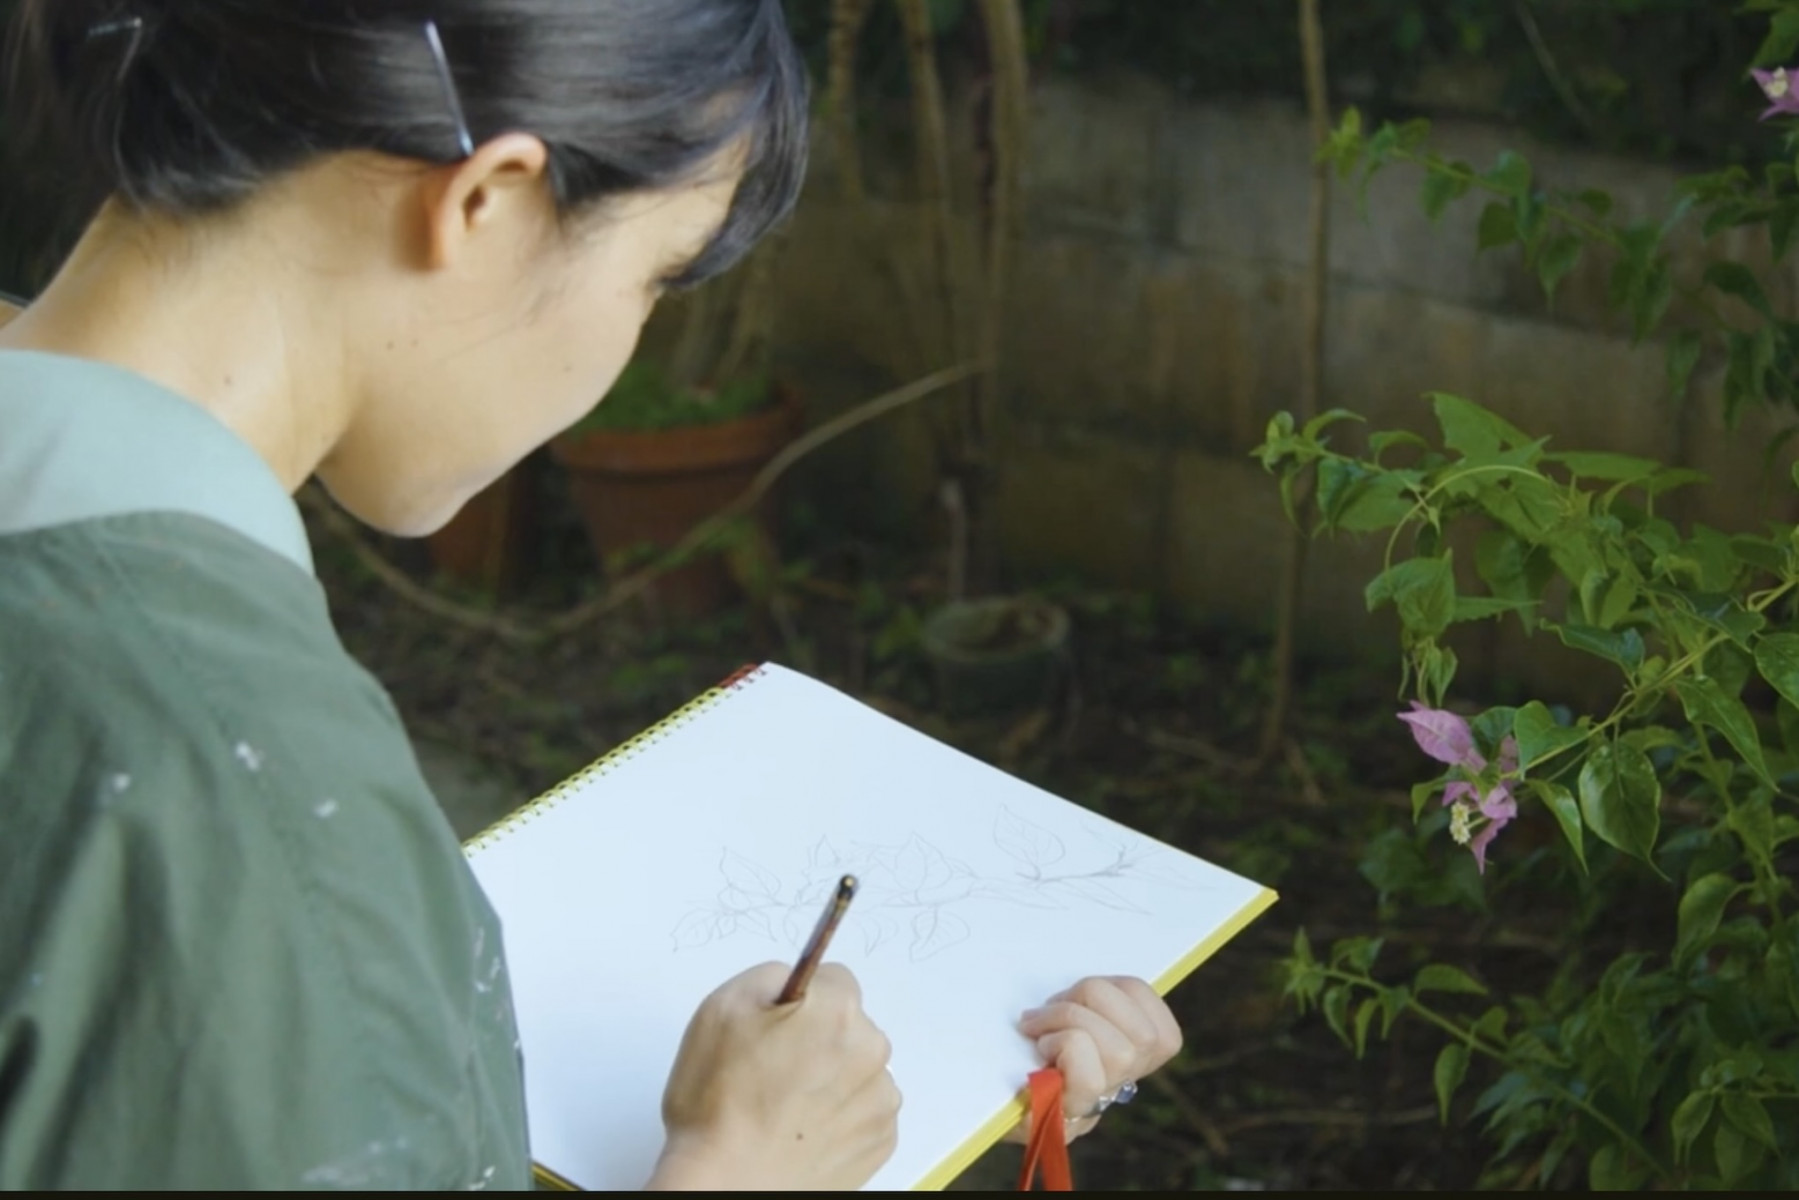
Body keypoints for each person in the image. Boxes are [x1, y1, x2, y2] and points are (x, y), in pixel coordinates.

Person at [0, 0, 1185, 1190]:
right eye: (656, 278)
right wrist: (740, 1171)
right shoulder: (241, 795)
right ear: (491, 205)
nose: (628, 347)